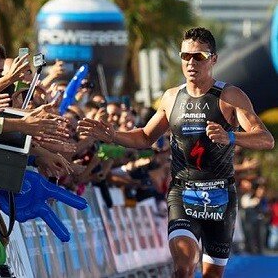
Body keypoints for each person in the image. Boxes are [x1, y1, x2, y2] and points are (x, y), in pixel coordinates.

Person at [77, 27, 275, 278]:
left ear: (213, 59)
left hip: (221, 196)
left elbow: (265, 139)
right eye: (185, 56)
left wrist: (231, 136)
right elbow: (146, 137)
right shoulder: (171, 98)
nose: (191, 63)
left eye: (199, 57)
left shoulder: (230, 96)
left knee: (212, 275)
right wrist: (112, 135)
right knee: (183, 265)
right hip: (183, 192)